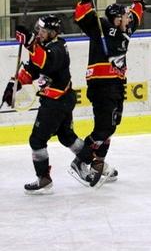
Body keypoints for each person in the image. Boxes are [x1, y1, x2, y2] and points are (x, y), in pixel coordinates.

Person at [69, 0, 151, 187]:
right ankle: (80, 162)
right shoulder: (101, 27)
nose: (128, 17)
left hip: (117, 84)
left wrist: (139, 0)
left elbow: (136, 14)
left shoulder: (127, 28)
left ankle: (98, 162)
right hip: (101, 85)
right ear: (116, 19)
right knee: (103, 128)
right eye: (125, 15)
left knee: (112, 126)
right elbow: (81, 16)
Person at [1, 15, 86, 195]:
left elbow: (46, 62)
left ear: (53, 33)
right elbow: (32, 70)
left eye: (43, 31)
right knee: (67, 136)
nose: (39, 33)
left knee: (37, 140)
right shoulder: (43, 47)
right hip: (60, 100)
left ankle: (44, 179)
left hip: (56, 101)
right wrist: (13, 86)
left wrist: (30, 44)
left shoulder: (58, 48)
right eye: (38, 30)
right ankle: (94, 162)